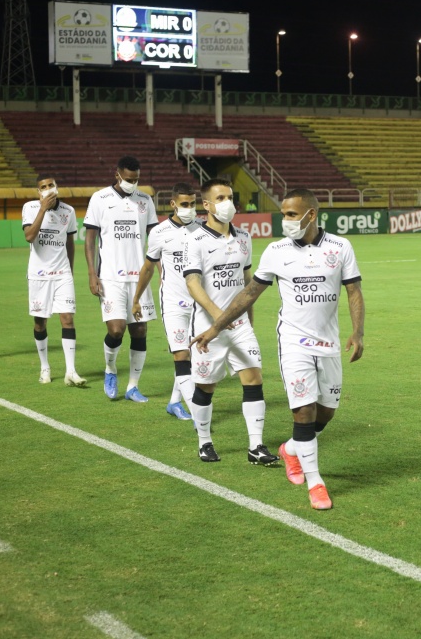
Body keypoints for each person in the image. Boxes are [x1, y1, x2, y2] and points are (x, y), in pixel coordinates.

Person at [192, 188, 364, 511]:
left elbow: (353, 290)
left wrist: (358, 331)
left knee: (325, 413)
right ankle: (316, 483)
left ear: (310, 215)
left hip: (328, 345)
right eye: (282, 213)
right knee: (304, 411)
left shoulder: (341, 247)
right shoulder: (276, 251)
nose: (283, 220)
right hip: (294, 344)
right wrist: (215, 327)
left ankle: (290, 449)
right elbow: (249, 294)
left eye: (290, 215)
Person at [182, 178, 276, 465]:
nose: (228, 203)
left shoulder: (244, 238)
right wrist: (218, 318)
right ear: (207, 205)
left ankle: (256, 447)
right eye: (221, 198)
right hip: (207, 327)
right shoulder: (194, 240)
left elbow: (248, 284)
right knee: (206, 386)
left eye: (230, 197)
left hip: (239, 326)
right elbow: (192, 283)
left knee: (253, 378)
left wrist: (247, 319)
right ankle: (204, 442)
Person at [83, 156, 158, 402]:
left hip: (139, 278)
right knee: (116, 330)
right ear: (117, 174)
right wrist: (92, 273)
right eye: (128, 179)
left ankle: (133, 387)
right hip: (110, 277)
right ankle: (110, 369)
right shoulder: (100, 199)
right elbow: (90, 239)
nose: (132, 183)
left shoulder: (145, 201)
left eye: (136, 180)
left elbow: (155, 238)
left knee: (140, 330)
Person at [132, 182, 201, 421]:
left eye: (193, 204)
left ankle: (174, 402)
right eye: (184, 204)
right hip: (173, 303)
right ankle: (198, 415)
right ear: (173, 204)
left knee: (193, 357)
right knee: (181, 355)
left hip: (199, 304)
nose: (189, 208)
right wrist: (136, 299)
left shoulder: (202, 229)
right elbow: (148, 268)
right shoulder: (159, 233)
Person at [21, 174, 86, 386]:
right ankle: (45, 367)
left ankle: (71, 371)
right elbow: (29, 236)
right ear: (38, 191)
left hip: (62, 273)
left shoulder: (68, 211)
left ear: (57, 187)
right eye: (43, 187)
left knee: (67, 319)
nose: (48, 189)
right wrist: (42, 209)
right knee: (40, 323)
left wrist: (70, 271)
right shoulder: (30, 208)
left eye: (51, 185)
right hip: (39, 275)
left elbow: (70, 243)